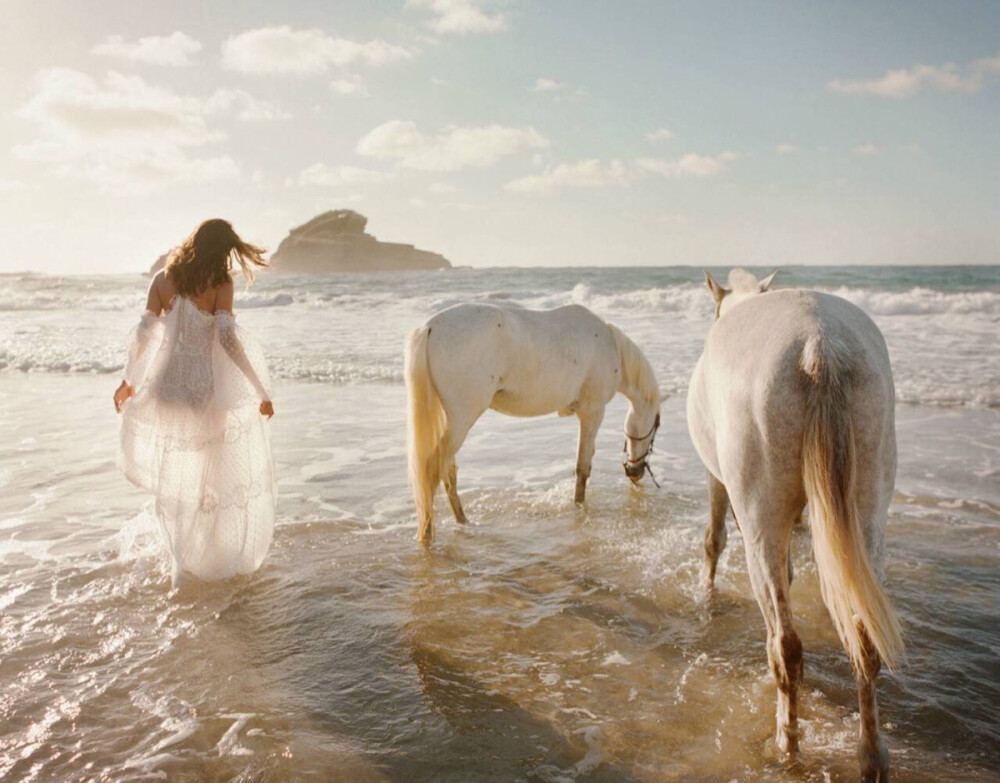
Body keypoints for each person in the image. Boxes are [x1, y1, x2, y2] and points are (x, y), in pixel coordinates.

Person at [114, 219, 276, 587]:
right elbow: (228, 340)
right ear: (221, 251)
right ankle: (201, 557)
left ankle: (179, 558)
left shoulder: (162, 279)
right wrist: (259, 388)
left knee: (173, 476)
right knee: (210, 485)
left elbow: (144, 337)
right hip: (204, 393)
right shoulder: (220, 283)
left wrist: (129, 382)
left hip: (168, 390)